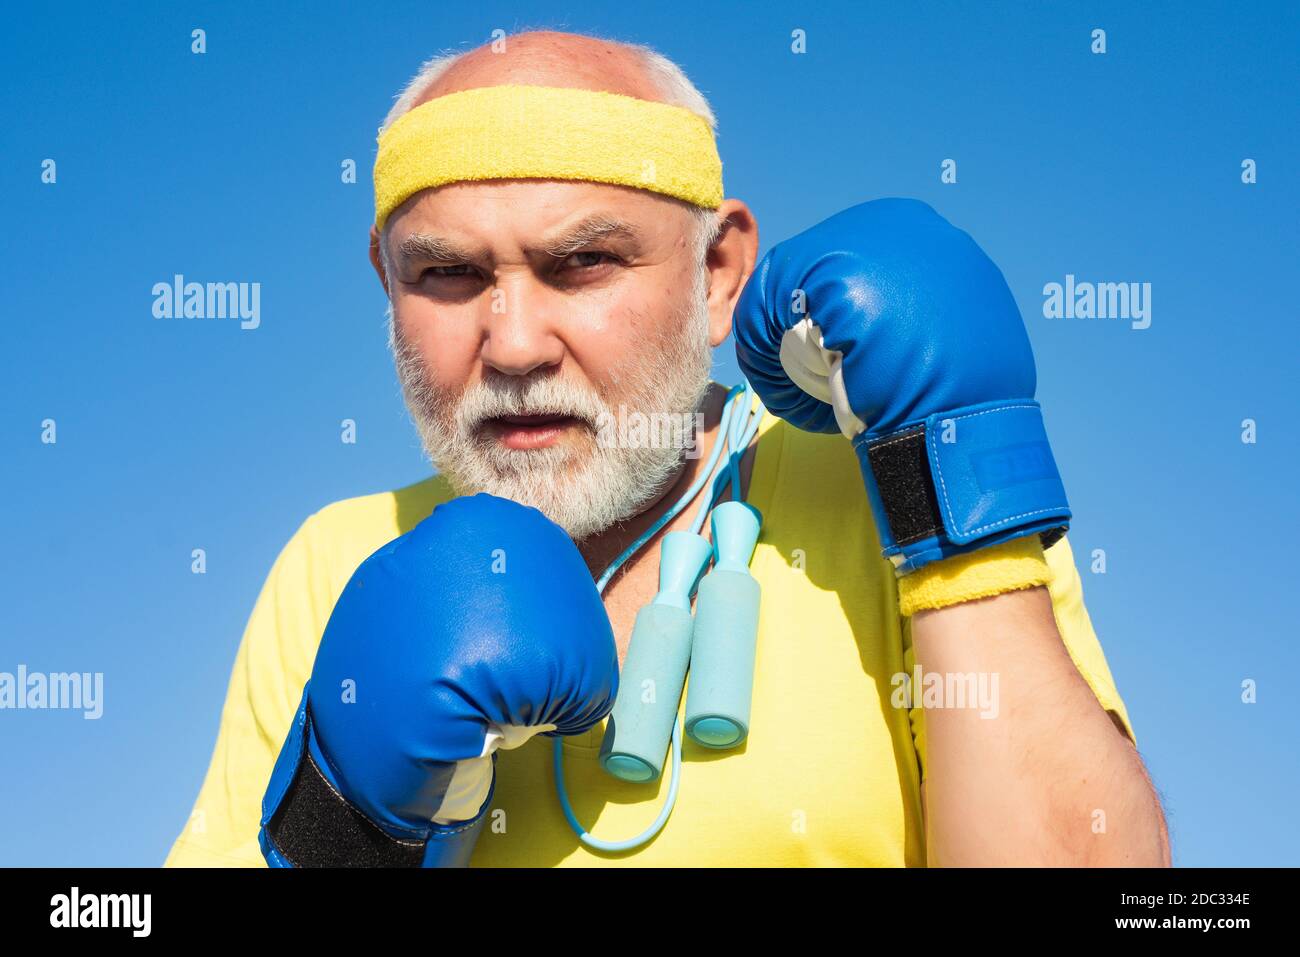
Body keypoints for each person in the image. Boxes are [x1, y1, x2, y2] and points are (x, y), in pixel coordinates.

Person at [165, 29, 1169, 867]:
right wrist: (348, 834)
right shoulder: (338, 560)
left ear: (719, 274)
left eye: (584, 262)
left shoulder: (898, 481)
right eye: (447, 274)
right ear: (387, 287)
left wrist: (957, 485)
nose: (512, 344)